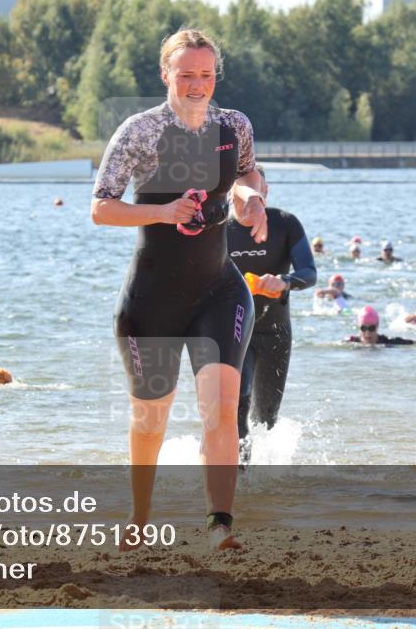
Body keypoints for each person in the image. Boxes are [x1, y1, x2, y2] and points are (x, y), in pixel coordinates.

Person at [91, 28, 266, 551]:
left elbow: (247, 175)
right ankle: (140, 516)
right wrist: (164, 212)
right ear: (166, 74)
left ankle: (219, 524)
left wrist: (249, 199)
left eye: (206, 75)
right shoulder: (139, 132)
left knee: (220, 408)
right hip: (151, 301)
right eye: (186, 74)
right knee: (150, 418)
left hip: (219, 290)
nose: (197, 85)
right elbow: (101, 207)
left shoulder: (233, 125)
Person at [227, 165, 316, 463]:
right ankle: (238, 481)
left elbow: (309, 272)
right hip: (234, 333)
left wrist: (284, 282)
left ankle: (263, 487)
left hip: (275, 333)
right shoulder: (219, 230)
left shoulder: (286, 224)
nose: (250, 200)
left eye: (257, 191)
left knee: (266, 418)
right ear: (231, 192)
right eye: (242, 191)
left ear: (265, 191)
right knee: (237, 405)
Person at [343, 306, 416, 346]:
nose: (367, 333)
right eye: (363, 328)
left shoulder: (386, 341)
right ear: (358, 327)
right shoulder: (351, 341)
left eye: (371, 328)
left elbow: (413, 342)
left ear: (377, 326)